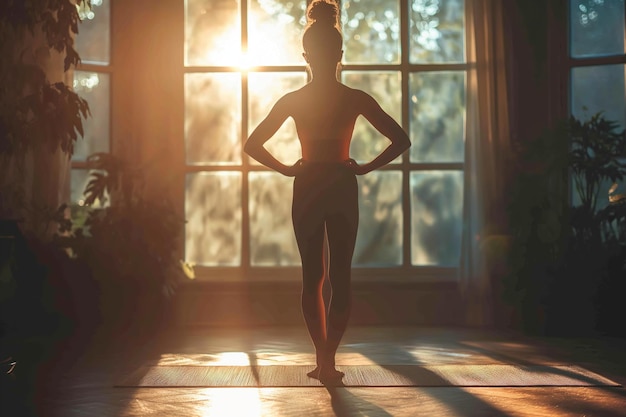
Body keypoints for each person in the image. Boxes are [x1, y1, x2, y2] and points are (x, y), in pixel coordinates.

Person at [244, 0, 410, 383]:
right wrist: (363, 166)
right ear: (339, 54)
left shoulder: (294, 100)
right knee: (341, 276)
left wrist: (287, 168)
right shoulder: (354, 98)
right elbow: (401, 140)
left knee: (312, 278)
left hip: (307, 186)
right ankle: (328, 361)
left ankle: (323, 360)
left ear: (306, 56)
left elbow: (252, 144)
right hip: (340, 183)